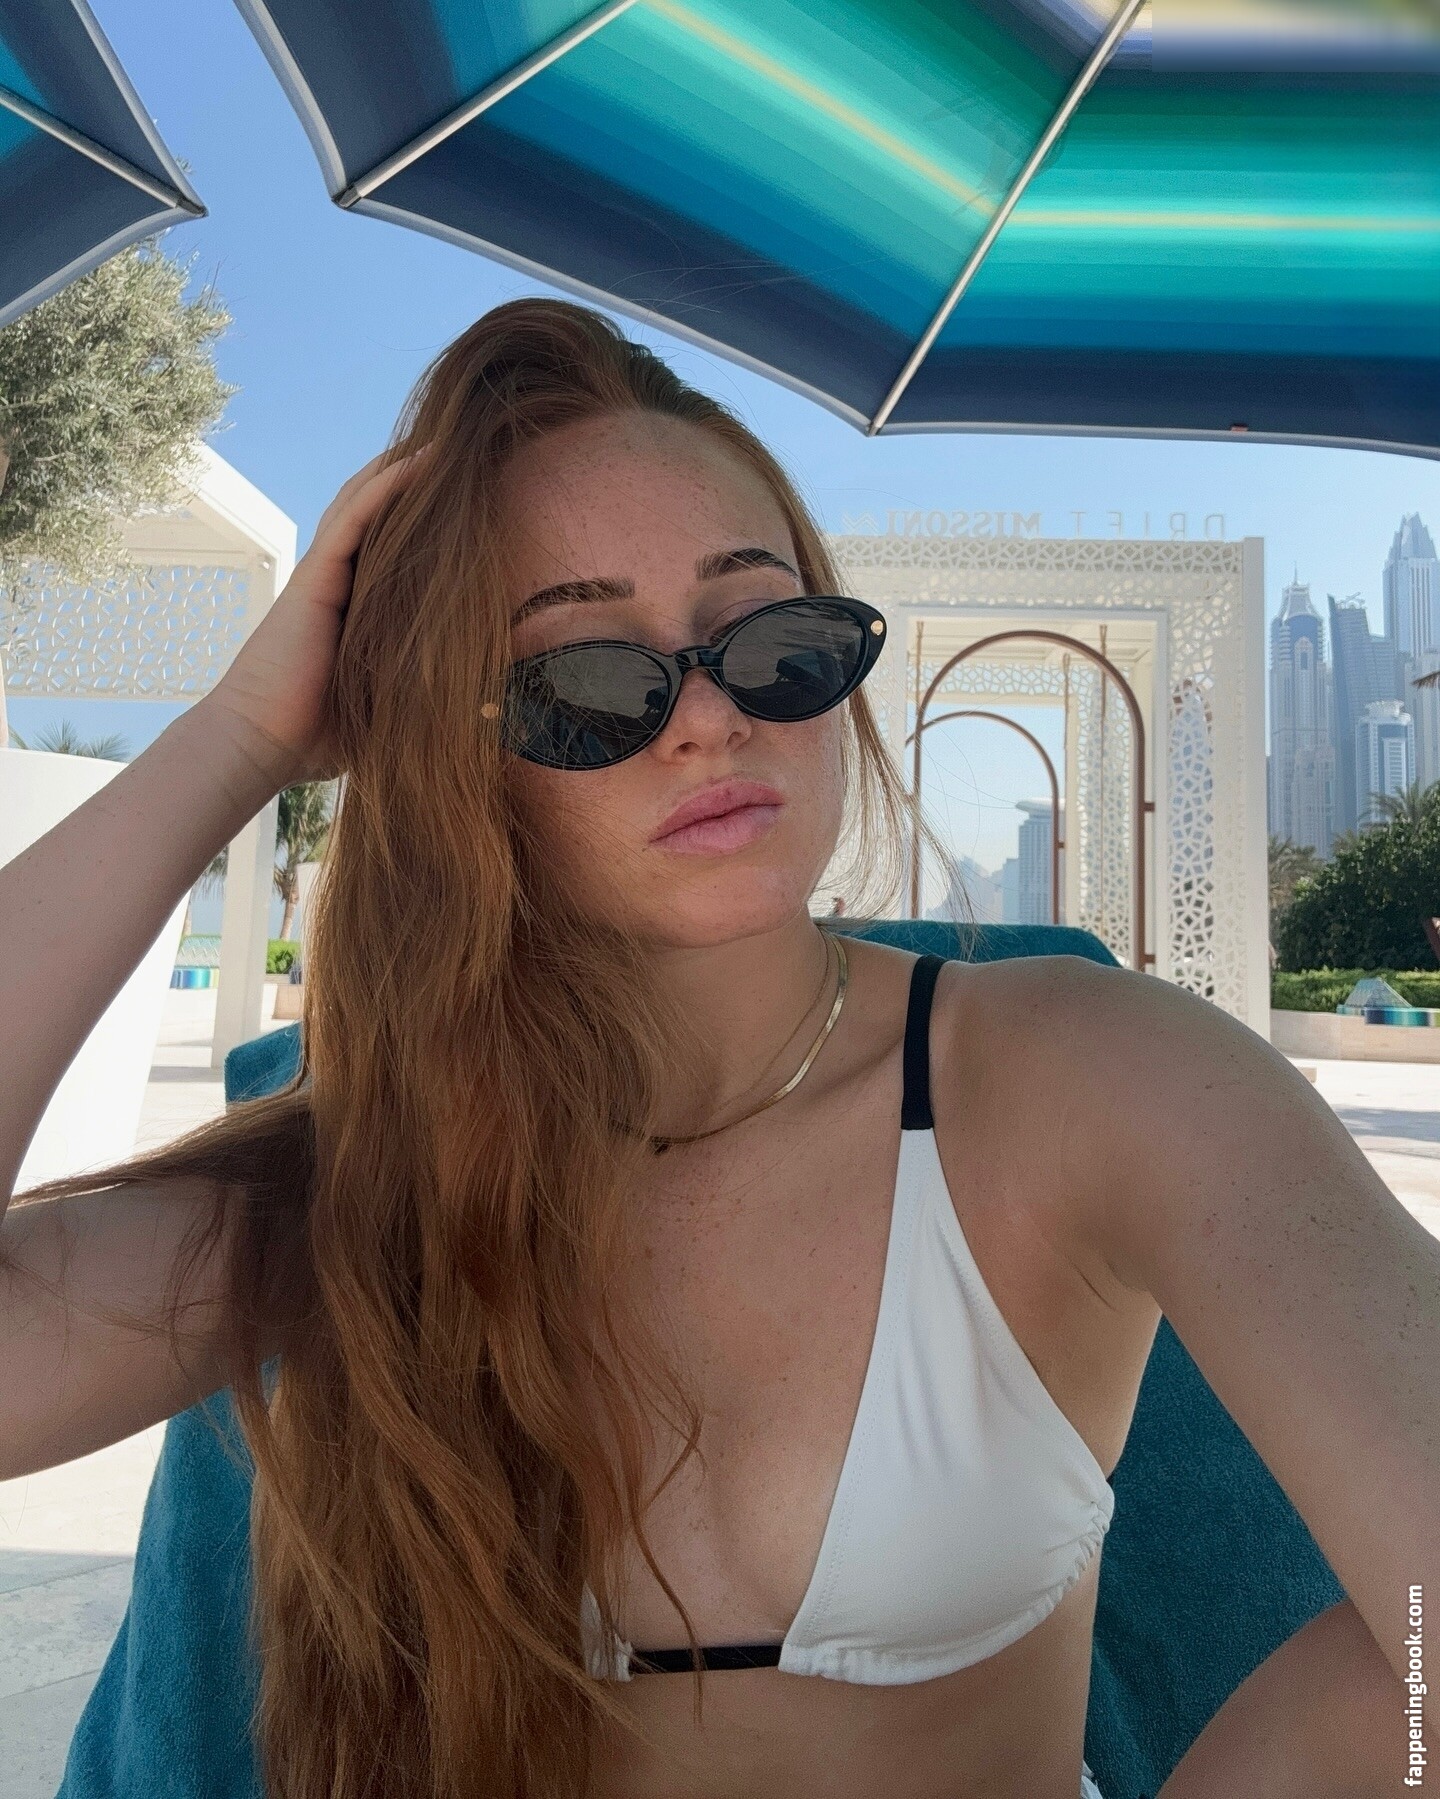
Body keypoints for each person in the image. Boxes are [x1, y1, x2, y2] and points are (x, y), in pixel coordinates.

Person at [1, 299, 1434, 1799]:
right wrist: (242, 734)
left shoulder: (1090, 1080)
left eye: (773, 644)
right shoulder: (372, 1180)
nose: (706, 721)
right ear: (452, 750)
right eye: (584, 676)